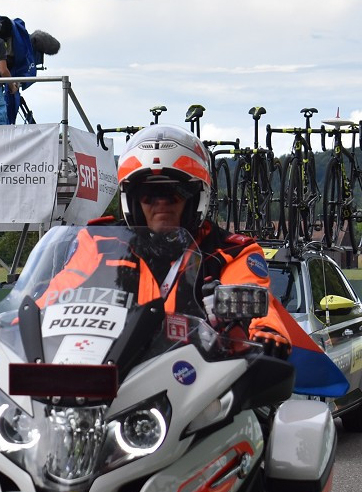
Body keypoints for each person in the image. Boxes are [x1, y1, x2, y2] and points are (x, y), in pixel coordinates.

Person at [112, 125, 293, 357]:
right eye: (148, 193)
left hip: (198, 374)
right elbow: (57, 294)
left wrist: (267, 332)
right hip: (112, 365)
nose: (161, 203)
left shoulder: (233, 252)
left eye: (174, 192)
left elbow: (255, 298)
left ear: (197, 198)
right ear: (132, 201)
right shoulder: (100, 245)